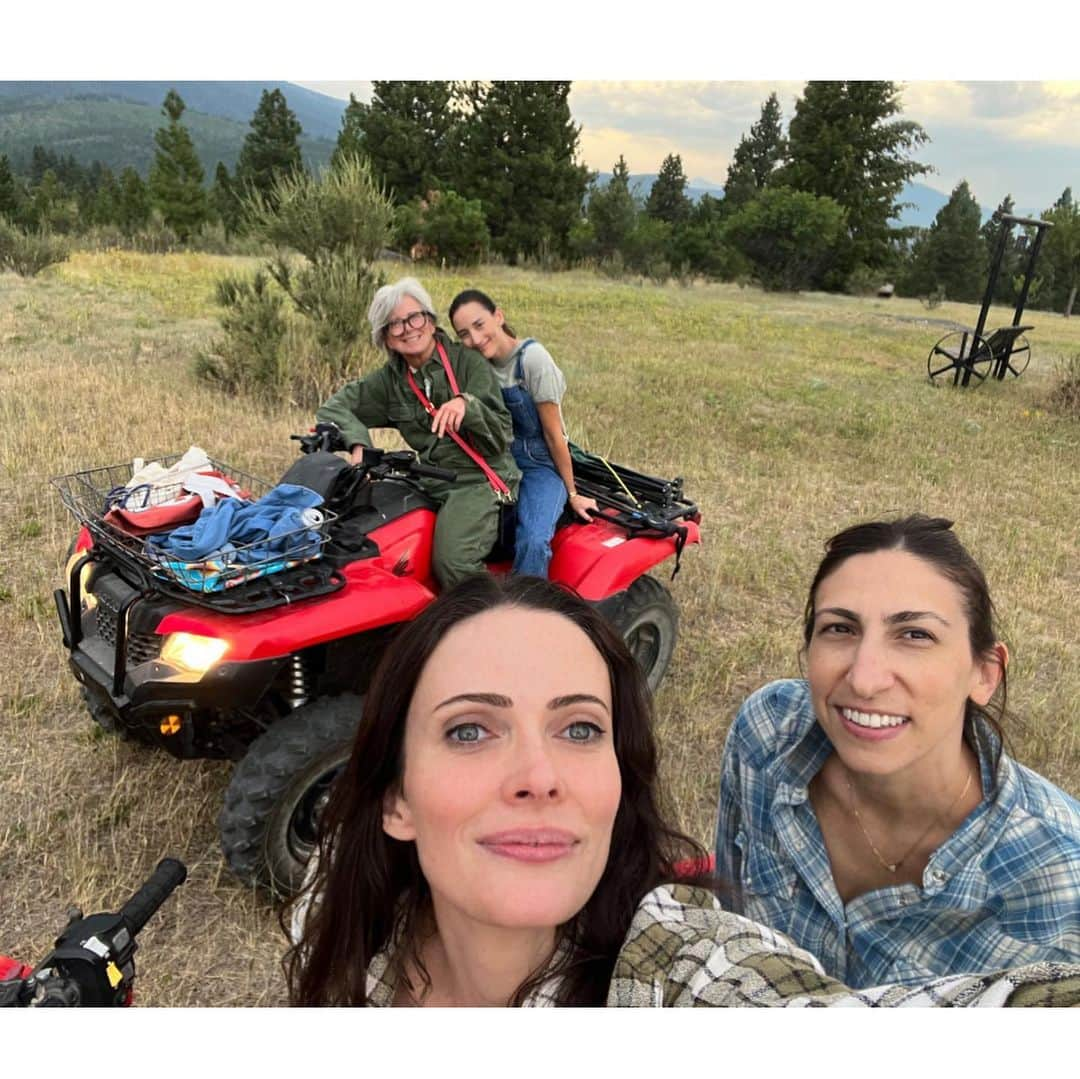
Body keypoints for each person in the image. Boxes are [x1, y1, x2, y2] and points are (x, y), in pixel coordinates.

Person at [285, 574, 1080, 1006]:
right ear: (395, 798)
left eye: (580, 728)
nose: (539, 776)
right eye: (469, 730)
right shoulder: (331, 908)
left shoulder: (673, 975)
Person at [716, 514, 1080, 989]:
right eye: (840, 629)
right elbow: (730, 924)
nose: (864, 679)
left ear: (985, 673)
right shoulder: (766, 733)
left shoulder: (1061, 885)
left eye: (915, 635)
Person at [316, 277, 520, 590]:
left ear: (429, 318)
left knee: (454, 561)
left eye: (415, 317)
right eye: (395, 324)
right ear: (385, 337)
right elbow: (334, 406)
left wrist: (468, 406)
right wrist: (358, 442)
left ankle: (493, 621)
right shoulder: (390, 381)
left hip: (476, 479)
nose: (409, 328)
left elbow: (501, 436)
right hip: (429, 478)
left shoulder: (467, 362)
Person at [448, 290, 597, 578]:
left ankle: (523, 611)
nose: (475, 340)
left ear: (499, 316)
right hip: (496, 461)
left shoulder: (532, 360)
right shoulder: (477, 365)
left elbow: (555, 436)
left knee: (532, 540)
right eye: (464, 334)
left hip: (538, 463)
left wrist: (573, 493)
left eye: (480, 326)